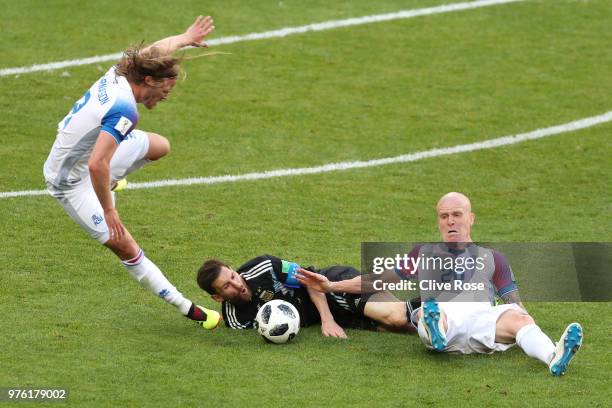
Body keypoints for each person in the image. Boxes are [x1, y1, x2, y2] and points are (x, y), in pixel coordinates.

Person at [43, 16, 220, 329]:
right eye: (166, 88)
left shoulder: (123, 71)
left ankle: (108, 183)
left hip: (92, 158)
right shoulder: (126, 109)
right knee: (123, 243)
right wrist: (109, 210)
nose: (167, 94)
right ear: (150, 81)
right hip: (69, 180)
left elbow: (152, 51)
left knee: (159, 146)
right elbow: (98, 163)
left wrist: (185, 36)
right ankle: (186, 307)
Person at [298, 192, 583, 376]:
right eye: (444, 216)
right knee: (428, 310)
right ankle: (436, 333)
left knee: (518, 318)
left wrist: (523, 318)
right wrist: (331, 287)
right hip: (446, 320)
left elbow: (514, 300)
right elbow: (377, 280)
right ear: (438, 221)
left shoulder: (493, 259)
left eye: (457, 214)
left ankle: (553, 357)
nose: (450, 221)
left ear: (470, 218)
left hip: (484, 324)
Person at [196, 255, 420, 337]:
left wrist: (327, 319)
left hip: (333, 285)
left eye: (233, 276)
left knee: (396, 317)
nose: (237, 284)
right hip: (340, 318)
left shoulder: (264, 267)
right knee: (405, 328)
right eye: (226, 286)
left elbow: (311, 281)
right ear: (218, 297)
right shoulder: (236, 320)